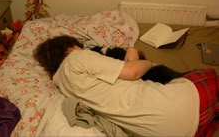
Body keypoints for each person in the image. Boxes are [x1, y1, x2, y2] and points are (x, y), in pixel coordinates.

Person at [34, 35, 219, 137]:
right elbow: (132, 73)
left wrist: (131, 57)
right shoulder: (76, 58)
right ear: (68, 48)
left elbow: (121, 83)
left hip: (181, 132)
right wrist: (149, 64)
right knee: (207, 77)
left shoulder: (61, 85)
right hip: (184, 104)